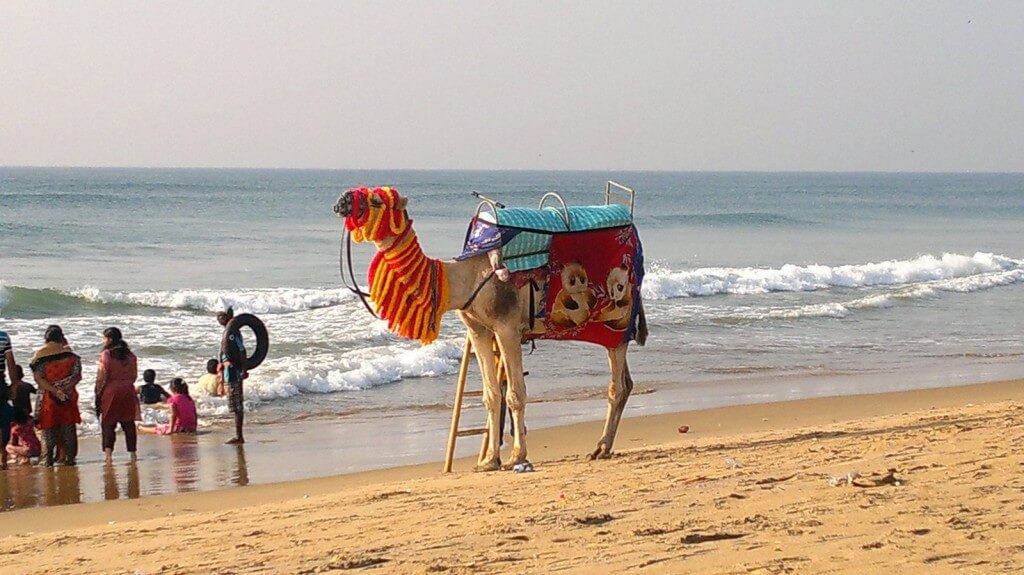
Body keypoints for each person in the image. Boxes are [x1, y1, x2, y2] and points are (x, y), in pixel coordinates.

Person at [30, 325, 82, 467]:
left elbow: (39, 379)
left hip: (48, 399)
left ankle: (47, 461)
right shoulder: (71, 357)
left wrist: (54, 390)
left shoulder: (39, 357)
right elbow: (76, 377)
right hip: (68, 398)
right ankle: (70, 460)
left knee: (48, 433)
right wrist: (62, 389)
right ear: (61, 338)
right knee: (68, 431)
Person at [95, 327, 141, 464]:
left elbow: (101, 377)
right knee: (128, 423)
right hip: (128, 390)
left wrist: (98, 392)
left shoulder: (106, 354)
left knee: (108, 424)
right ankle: (133, 454)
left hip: (111, 391)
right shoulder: (130, 356)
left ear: (108, 339)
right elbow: (134, 375)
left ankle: (108, 456)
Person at [217, 308, 246, 444]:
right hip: (228, 373)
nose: (219, 318)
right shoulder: (228, 332)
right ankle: (238, 435)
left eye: (221, 315)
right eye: (217, 316)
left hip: (234, 372)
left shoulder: (232, 332)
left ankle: (239, 436)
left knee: (237, 406)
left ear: (229, 316)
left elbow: (241, 350)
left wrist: (243, 369)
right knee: (234, 406)